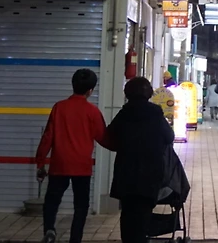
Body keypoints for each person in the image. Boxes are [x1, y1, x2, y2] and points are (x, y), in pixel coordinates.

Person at [35, 69, 110, 243]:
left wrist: (40, 162)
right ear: (90, 90)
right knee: (81, 206)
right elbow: (103, 137)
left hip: (59, 164)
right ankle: (75, 239)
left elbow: (48, 136)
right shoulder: (92, 111)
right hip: (82, 166)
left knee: (52, 201)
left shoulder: (59, 107)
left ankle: (49, 230)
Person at [106, 76, 176, 243]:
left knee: (127, 213)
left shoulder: (124, 113)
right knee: (143, 214)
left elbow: (109, 135)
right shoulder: (155, 114)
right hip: (150, 173)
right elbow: (169, 137)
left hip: (126, 171)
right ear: (148, 93)